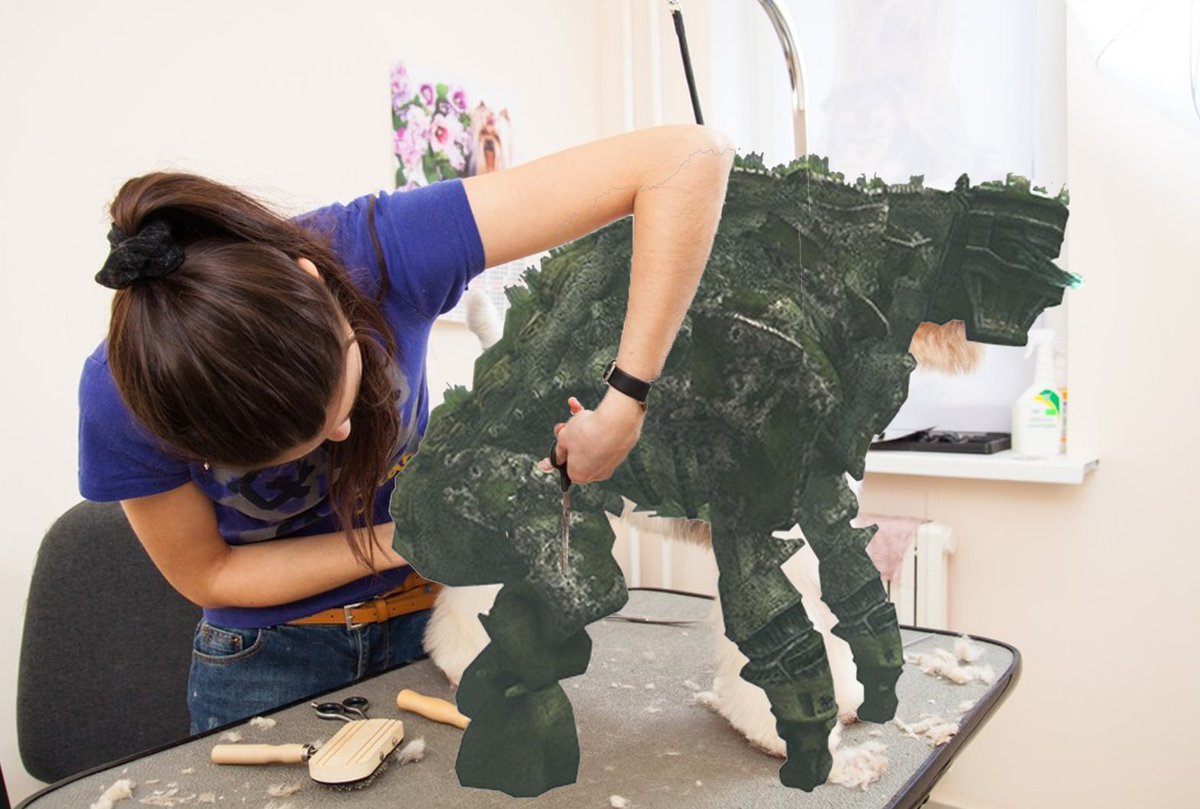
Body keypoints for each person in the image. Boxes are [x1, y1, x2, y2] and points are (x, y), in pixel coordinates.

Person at [77, 123, 735, 734]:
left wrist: (626, 399)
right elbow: (212, 573)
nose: (343, 435)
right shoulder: (121, 399)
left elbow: (685, 158)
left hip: (435, 623)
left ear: (317, 284)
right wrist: (412, 536)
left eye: (341, 401)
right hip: (267, 662)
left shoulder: (386, 249)